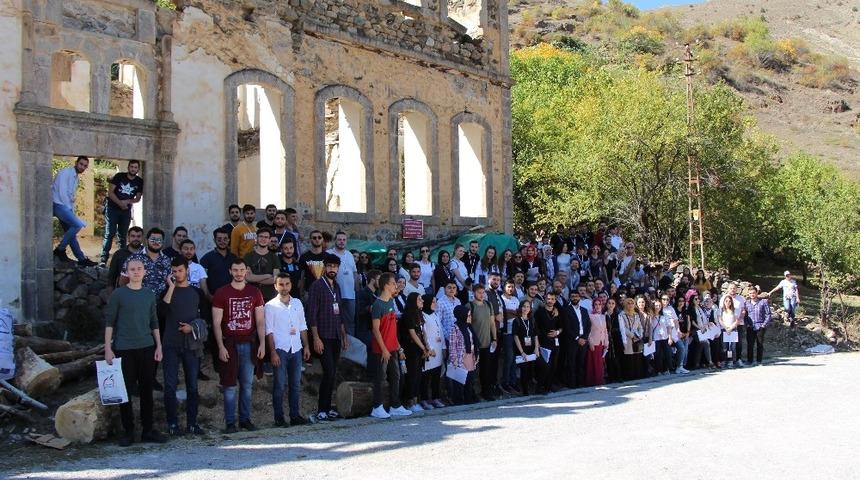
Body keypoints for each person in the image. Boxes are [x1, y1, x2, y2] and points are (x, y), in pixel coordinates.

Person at [104, 258, 165, 446]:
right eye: (132, 269)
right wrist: (108, 348)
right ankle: (128, 431)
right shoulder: (119, 294)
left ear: (144, 271)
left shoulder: (148, 294)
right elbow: (109, 322)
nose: (136, 272)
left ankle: (148, 430)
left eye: (139, 269)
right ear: (127, 272)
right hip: (124, 348)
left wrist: (159, 346)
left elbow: (154, 322)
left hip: (146, 347)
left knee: (147, 389)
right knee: (126, 391)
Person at [211, 258, 266, 433]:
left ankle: (245, 419)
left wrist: (262, 343)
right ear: (230, 271)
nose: (239, 273)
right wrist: (220, 346)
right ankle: (230, 423)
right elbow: (216, 323)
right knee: (229, 386)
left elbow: (260, 321)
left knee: (247, 385)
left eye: (242, 270)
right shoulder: (221, 293)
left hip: (249, 344)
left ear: (246, 271)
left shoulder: (255, 292)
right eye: (235, 270)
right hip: (230, 344)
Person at [161, 257, 206, 436]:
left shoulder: (196, 292)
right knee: (170, 385)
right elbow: (161, 312)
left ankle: (192, 423)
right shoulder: (166, 291)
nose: (177, 274)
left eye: (180, 270)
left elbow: (205, 317)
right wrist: (171, 288)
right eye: (174, 271)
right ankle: (172, 424)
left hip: (191, 345)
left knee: (192, 386)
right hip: (170, 344)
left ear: (187, 270)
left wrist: (192, 327)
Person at [306, 254, 350, 422]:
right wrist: (316, 338)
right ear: (324, 267)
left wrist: (344, 335)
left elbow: (339, 314)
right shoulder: (317, 286)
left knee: (333, 373)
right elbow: (312, 315)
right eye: (329, 266)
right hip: (323, 336)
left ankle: (328, 408)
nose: (332, 269)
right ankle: (321, 410)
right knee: (329, 371)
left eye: (335, 266)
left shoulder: (337, 287)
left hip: (336, 336)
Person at [265, 274, 311, 427]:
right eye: (281, 284)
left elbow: (303, 326)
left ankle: (295, 415)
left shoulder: (297, 302)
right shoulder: (270, 306)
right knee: (279, 384)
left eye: (287, 284)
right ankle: (279, 418)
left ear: (291, 285)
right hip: (280, 349)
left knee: (295, 384)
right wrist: (272, 352)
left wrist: (306, 346)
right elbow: (269, 331)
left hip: (296, 348)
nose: (284, 287)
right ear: (276, 286)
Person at [368, 273, 413, 419]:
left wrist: (399, 348)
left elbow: (392, 329)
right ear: (386, 285)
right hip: (381, 350)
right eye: (394, 283)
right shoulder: (377, 305)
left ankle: (395, 405)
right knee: (380, 378)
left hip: (393, 348)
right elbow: (375, 330)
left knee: (396, 376)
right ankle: (377, 407)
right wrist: (384, 350)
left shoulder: (391, 303)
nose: (396, 285)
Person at [52, 156, 97, 266]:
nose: (83, 167)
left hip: (65, 206)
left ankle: (81, 259)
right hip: (58, 204)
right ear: (76, 163)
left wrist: (71, 211)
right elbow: (62, 193)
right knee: (77, 225)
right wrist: (69, 210)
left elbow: (71, 196)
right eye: (81, 164)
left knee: (71, 234)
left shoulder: (75, 177)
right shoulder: (65, 173)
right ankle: (60, 249)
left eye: (85, 166)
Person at [100, 160, 144, 264]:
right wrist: (120, 203)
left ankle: (123, 259)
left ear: (138, 169)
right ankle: (104, 258)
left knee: (123, 235)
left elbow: (137, 198)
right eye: (132, 167)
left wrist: (128, 201)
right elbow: (110, 192)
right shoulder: (119, 176)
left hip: (126, 210)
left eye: (135, 167)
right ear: (128, 167)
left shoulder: (139, 181)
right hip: (112, 208)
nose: (133, 169)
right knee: (109, 233)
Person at [400, 292, 429, 412]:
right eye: (419, 299)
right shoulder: (408, 314)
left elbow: (423, 331)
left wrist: (426, 345)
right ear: (413, 301)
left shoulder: (419, 313)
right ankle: (410, 401)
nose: (422, 301)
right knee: (412, 375)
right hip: (411, 348)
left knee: (418, 375)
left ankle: (416, 400)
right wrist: (423, 348)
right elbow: (412, 333)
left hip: (419, 348)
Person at [469, 284, 498, 401]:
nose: (482, 295)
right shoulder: (470, 306)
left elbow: (492, 323)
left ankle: (486, 391)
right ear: (474, 293)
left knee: (486, 370)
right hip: (474, 344)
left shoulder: (488, 304)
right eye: (479, 292)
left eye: (483, 292)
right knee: (473, 371)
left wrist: (495, 339)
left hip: (487, 343)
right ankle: (472, 393)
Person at [327, 231, 358, 335]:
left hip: (350, 295)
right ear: (335, 240)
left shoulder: (349, 254)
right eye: (339, 239)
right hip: (335, 294)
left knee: (350, 322)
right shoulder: (328, 253)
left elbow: (354, 273)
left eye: (344, 240)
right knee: (334, 321)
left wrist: (356, 289)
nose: (342, 242)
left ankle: (350, 346)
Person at [447, 304, 478, 405]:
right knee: (459, 381)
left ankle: (468, 399)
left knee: (470, 379)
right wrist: (454, 360)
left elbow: (473, 341)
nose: (470, 317)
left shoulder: (469, 327)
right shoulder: (455, 328)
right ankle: (458, 401)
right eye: (468, 315)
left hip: (470, 356)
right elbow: (452, 346)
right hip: (460, 358)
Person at [420, 293, 446, 410]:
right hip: (429, 351)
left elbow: (440, 332)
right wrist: (429, 348)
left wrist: (444, 347)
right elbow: (423, 334)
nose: (435, 304)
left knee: (436, 376)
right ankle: (424, 399)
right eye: (433, 302)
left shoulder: (435, 315)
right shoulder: (422, 316)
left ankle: (436, 398)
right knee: (425, 377)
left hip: (439, 350)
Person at [535, 291, 563, 394]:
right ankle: (540, 387)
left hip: (555, 343)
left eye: (552, 299)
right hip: (543, 343)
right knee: (544, 366)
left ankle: (548, 386)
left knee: (553, 366)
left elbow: (561, 327)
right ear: (545, 299)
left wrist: (557, 332)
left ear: (555, 301)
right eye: (548, 299)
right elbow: (536, 328)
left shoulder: (557, 312)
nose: (550, 301)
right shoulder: (539, 312)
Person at [200, 228, 238, 300]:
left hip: (232, 297)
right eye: (219, 239)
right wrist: (208, 296)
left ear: (229, 240)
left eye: (225, 239)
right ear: (214, 240)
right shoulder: (206, 258)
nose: (222, 241)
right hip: (213, 298)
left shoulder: (234, 258)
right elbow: (202, 280)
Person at [562, 290, 590, 388]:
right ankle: (572, 384)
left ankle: (580, 382)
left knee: (581, 362)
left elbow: (588, 325)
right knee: (571, 363)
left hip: (583, 340)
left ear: (579, 297)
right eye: (572, 296)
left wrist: (585, 337)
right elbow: (566, 327)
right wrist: (577, 338)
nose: (574, 298)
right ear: (570, 298)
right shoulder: (566, 310)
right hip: (572, 341)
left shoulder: (584, 310)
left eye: (576, 296)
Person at [243, 228, 280, 301]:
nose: (263, 239)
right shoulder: (248, 256)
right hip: (251, 295)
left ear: (269, 240)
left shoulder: (274, 257)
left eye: (266, 237)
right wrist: (267, 276)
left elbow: (275, 279)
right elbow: (248, 277)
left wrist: (254, 278)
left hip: (270, 297)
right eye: (261, 236)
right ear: (256, 238)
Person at [512, 300, 538, 396]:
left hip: (531, 348)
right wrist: (522, 352)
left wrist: (536, 348)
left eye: (528, 306)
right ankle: (525, 392)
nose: (526, 308)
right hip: (521, 349)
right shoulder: (517, 320)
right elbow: (515, 337)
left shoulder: (532, 320)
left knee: (531, 369)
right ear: (520, 308)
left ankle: (531, 388)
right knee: (524, 370)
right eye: (524, 306)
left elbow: (535, 335)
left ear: (530, 309)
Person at [499, 278, 521, 394]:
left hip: (516, 331)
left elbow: (518, 314)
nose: (511, 289)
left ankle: (513, 382)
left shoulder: (516, 299)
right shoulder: (501, 299)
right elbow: (504, 314)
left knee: (514, 359)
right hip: (506, 332)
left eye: (512, 287)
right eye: (509, 287)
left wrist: (511, 313)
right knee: (509, 358)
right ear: (504, 287)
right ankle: (505, 382)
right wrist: (510, 313)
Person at [743, 288, 772, 366]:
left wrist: (764, 325)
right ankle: (750, 360)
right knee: (750, 344)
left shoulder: (763, 302)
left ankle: (759, 361)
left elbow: (768, 314)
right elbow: (745, 316)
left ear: (757, 293)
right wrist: (747, 324)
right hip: (750, 327)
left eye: (753, 293)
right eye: (750, 293)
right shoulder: (746, 303)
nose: (752, 295)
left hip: (760, 326)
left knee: (759, 344)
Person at [618, 297, 644, 380]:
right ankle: (629, 377)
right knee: (629, 358)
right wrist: (632, 335)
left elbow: (640, 326)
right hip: (628, 339)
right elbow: (623, 328)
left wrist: (640, 335)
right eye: (628, 303)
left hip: (637, 339)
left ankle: (637, 376)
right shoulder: (621, 315)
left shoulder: (636, 315)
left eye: (632, 303)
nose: (630, 305)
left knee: (637, 357)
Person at [721, 283, 746, 367]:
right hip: (726, 326)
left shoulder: (740, 298)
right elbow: (720, 313)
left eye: (734, 288)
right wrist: (726, 326)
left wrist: (738, 321)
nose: (733, 290)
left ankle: (737, 359)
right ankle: (728, 360)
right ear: (728, 289)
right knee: (727, 346)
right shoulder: (723, 298)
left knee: (737, 344)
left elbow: (743, 310)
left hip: (738, 324)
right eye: (731, 288)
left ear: (737, 289)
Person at [586, 297, 608, 386]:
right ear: (593, 306)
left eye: (599, 304)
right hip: (594, 342)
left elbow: (605, 330)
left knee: (600, 362)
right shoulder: (590, 316)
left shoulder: (603, 316)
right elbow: (588, 330)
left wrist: (606, 343)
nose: (598, 306)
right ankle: (592, 381)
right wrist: (590, 342)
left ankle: (599, 380)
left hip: (601, 342)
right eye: (596, 304)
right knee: (593, 363)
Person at [299, 230, 327, 296]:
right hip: (308, 292)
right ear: (310, 240)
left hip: (325, 292)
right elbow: (302, 277)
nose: (317, 239)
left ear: (322, 239)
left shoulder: (328, 256)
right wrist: (301, 293)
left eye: (319, 237)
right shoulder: (304, 256)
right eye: (314, 238)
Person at [650, 298, 674, 375]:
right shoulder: (651, 317)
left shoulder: (664, 316)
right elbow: (650, 328)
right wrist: (650, 338)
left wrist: (670, 337)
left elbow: (669, 327)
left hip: (665, 337)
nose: (658, 307)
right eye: (656, 305)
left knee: (667, 354)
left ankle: (666, 369)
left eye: (659, 305)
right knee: (657, 355)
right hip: (656, 338)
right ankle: (658, 370)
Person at [689, 294, 714, 369]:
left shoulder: (700, 308)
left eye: (698, 299)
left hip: (703, 329)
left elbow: (704, 318)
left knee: (700, 346)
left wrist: (707, 324)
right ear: (692, 301)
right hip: (696, 330)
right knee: (705, 343)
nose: (698, 300)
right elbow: (692, 321)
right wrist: (699, 328)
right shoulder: (692, 309)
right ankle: (710, 362)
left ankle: (697, 363)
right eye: (695, 299)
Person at [719, 295, 739, 367]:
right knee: (724, 347)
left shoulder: (734, 310)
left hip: (732, 330)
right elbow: (720, 320)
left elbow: (736, 321)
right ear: (724, 302)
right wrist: (726, 328)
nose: (728, 302)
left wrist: (730, 328)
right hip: (724, 330)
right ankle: (724, 360)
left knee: (731, 347)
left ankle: (731, 361)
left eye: (729, 301)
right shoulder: (721, 310)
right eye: (726, 301)